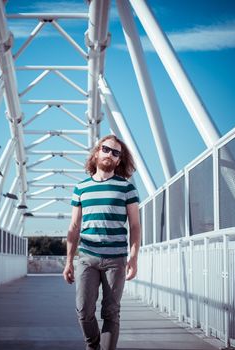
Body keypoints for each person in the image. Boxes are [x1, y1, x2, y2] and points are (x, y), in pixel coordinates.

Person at [63, 135, 141, 350]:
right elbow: (74, 227)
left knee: (111, 311)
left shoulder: (127, 188)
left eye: (116, 153)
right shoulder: (81, 188)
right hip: (87, 258)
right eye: (106, 149)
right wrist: (69, 261)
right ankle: (93, 345)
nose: (110, 154)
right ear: (97, 152)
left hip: (116, 260)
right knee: (83, 310)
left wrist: (133, 258)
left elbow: (135, 226)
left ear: (119, 160)